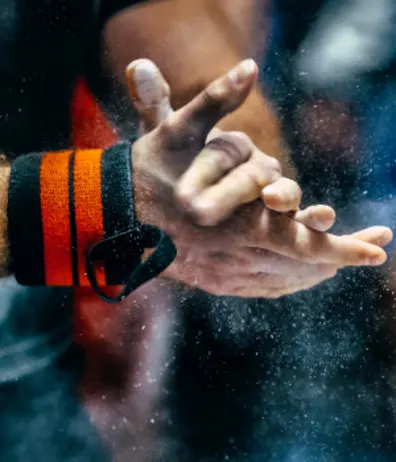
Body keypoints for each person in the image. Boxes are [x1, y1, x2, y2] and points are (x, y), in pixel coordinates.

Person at [0, 1, 392, 461]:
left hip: (27, 357)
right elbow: (100, 204)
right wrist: (97, 202)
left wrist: (226, 153)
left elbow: (155, 13)